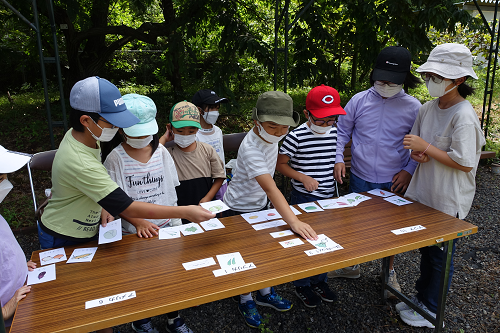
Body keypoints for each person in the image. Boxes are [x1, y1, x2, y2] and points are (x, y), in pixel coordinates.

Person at [38, 77, 214, 250]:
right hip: (63, 236)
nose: (117, 127)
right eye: (112, 122)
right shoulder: (81, 162)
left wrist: (102, 203)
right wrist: (186, 212)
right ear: (85, 120)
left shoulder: (85, 135)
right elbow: (127, 206)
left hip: (86, 227)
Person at [398, 43, 485, 328]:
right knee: (428, 251)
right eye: (429, 75)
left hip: (449, 200)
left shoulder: (464, 116)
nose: (430, 81)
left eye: (437, 76)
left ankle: (432, 310)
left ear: (458, 80)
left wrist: (427, 147)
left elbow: (464, 163)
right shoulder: (427, 108)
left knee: (440, 258)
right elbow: (419, 147)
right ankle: (421, 299)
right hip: (425, 193)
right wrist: (419, 153)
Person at [332, 46, 422, 297]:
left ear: (404, 78)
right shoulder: (359, 100)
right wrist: (339, 158)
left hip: (393, 178)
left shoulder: (414, 107)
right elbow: (342, 132)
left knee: (390, 228)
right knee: (354, 222)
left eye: (392, 81)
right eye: (381, 79)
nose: (385, 84)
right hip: (360, 175)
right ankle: (351, 263)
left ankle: (388, 271)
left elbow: (418, 144)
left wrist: (409, 170)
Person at [223, 90, 318, 328]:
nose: (278, 132)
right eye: (272, 126)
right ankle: (245, 299)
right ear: (256, 121)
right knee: (244, 257)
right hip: (237, 209)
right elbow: (271, 188)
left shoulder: (272, 138)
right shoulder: (251, 147)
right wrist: (293, 221)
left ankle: (265, 293)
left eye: (284, 128)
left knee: (264, 252)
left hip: (259, 206)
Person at [102, 94, 191, 333]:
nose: (142, 139)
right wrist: (138, 222)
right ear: (121, 131)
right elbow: (114, 201)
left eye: (145, 133)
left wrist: (176, 222)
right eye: (136, 133)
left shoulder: (162, 153)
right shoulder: (114, 160)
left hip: (166, 228)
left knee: (171, 274)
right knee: (140, 277)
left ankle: (175, 317)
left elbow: (171, 191)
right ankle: (142, 319)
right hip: (133, 233)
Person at [276, 85, 345, 307]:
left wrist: (338, 162)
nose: (326, 125)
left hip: (328, 197)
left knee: (325, 240)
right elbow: (280, 165)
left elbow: (336, 153)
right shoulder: (295, 137)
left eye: (331, 119)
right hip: (303, 199)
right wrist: (302, 177)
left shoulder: (334, 132)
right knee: (304, 243)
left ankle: (320, 280)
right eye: (320, 120)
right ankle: (302, 284)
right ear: (307, 114)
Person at [160, 101, 225, 224]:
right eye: (180, 131)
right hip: (180, 212)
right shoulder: (167, 153)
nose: (185, 135)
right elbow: (151, 155)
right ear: (170, 128)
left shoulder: (207, 150)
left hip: (204, 209)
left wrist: (208, 198)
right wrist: (165, 137)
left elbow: (219, 176)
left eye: (191, 131)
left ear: (198, 129)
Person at [0, 146, 37, 331]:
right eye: (0, 178)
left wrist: (20, 266)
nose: (6, 183)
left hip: (24, 289)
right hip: (10, 322)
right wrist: (6, 310)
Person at [192, 89, 229, 200]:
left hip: (221, 182)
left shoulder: (218, 131)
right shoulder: (194, 134)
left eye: (217, 108)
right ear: (200, 110)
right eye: (212, 108)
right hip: (204, 183)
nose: (215, 112)